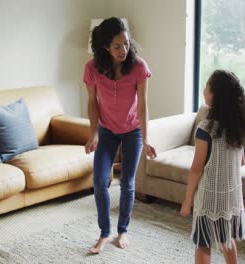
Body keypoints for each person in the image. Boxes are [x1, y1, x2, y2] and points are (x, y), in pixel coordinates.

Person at [83, 17, 157, 254]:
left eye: (126, 43)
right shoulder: (92, 68)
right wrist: (93, 132)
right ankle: (104, 233)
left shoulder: (138, 67)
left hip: (132, 131)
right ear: (105, 47)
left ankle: (122, 230)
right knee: (99, 181)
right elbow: (92, 102)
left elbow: (143, 104)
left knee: (127, 182)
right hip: (107, 131)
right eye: (117, 46)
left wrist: (146, 138)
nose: (124, 49)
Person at [180, 70, 245, 264]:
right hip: (231, 197)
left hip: (210, 197)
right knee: (226, 238)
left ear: (216, 94)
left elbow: (197, 168)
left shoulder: (206, 129)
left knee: (203, 243)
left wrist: (188, 201)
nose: (203, 90)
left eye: (206, 86)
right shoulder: (237, 126)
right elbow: (241, 161)